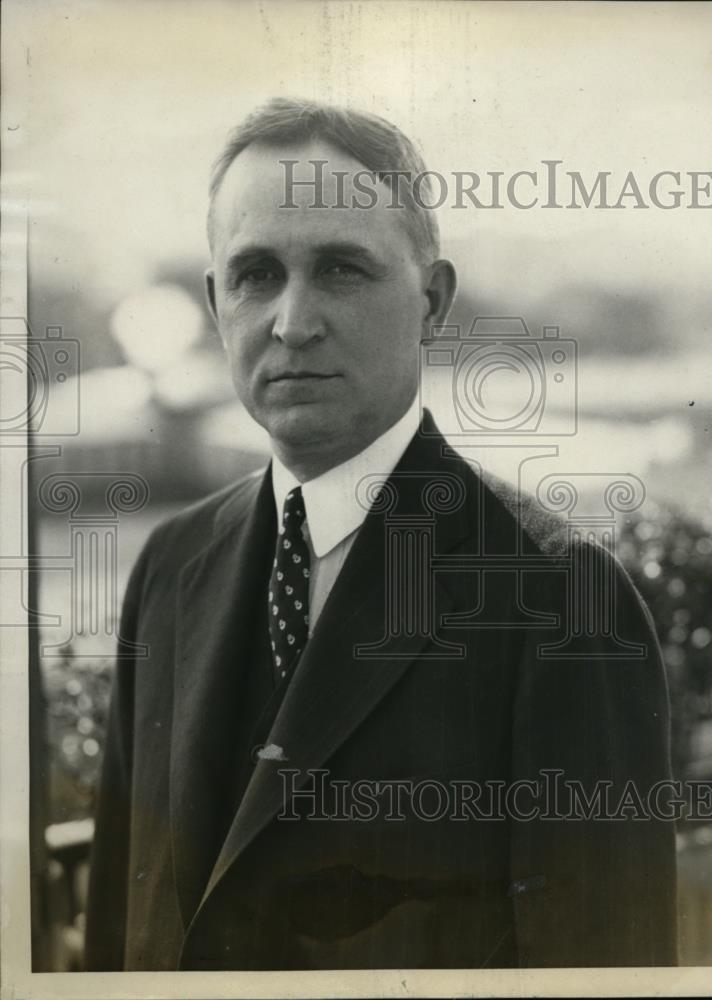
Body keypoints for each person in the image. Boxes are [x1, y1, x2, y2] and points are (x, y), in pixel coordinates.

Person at [85, 98, 677, 970]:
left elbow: (603, 967)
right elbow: (119, 927)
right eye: (254, 275)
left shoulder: (559, 596)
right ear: (216, 306)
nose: (291, 323)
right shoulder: (170, 565)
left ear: (431, 301)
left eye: (340, 270)